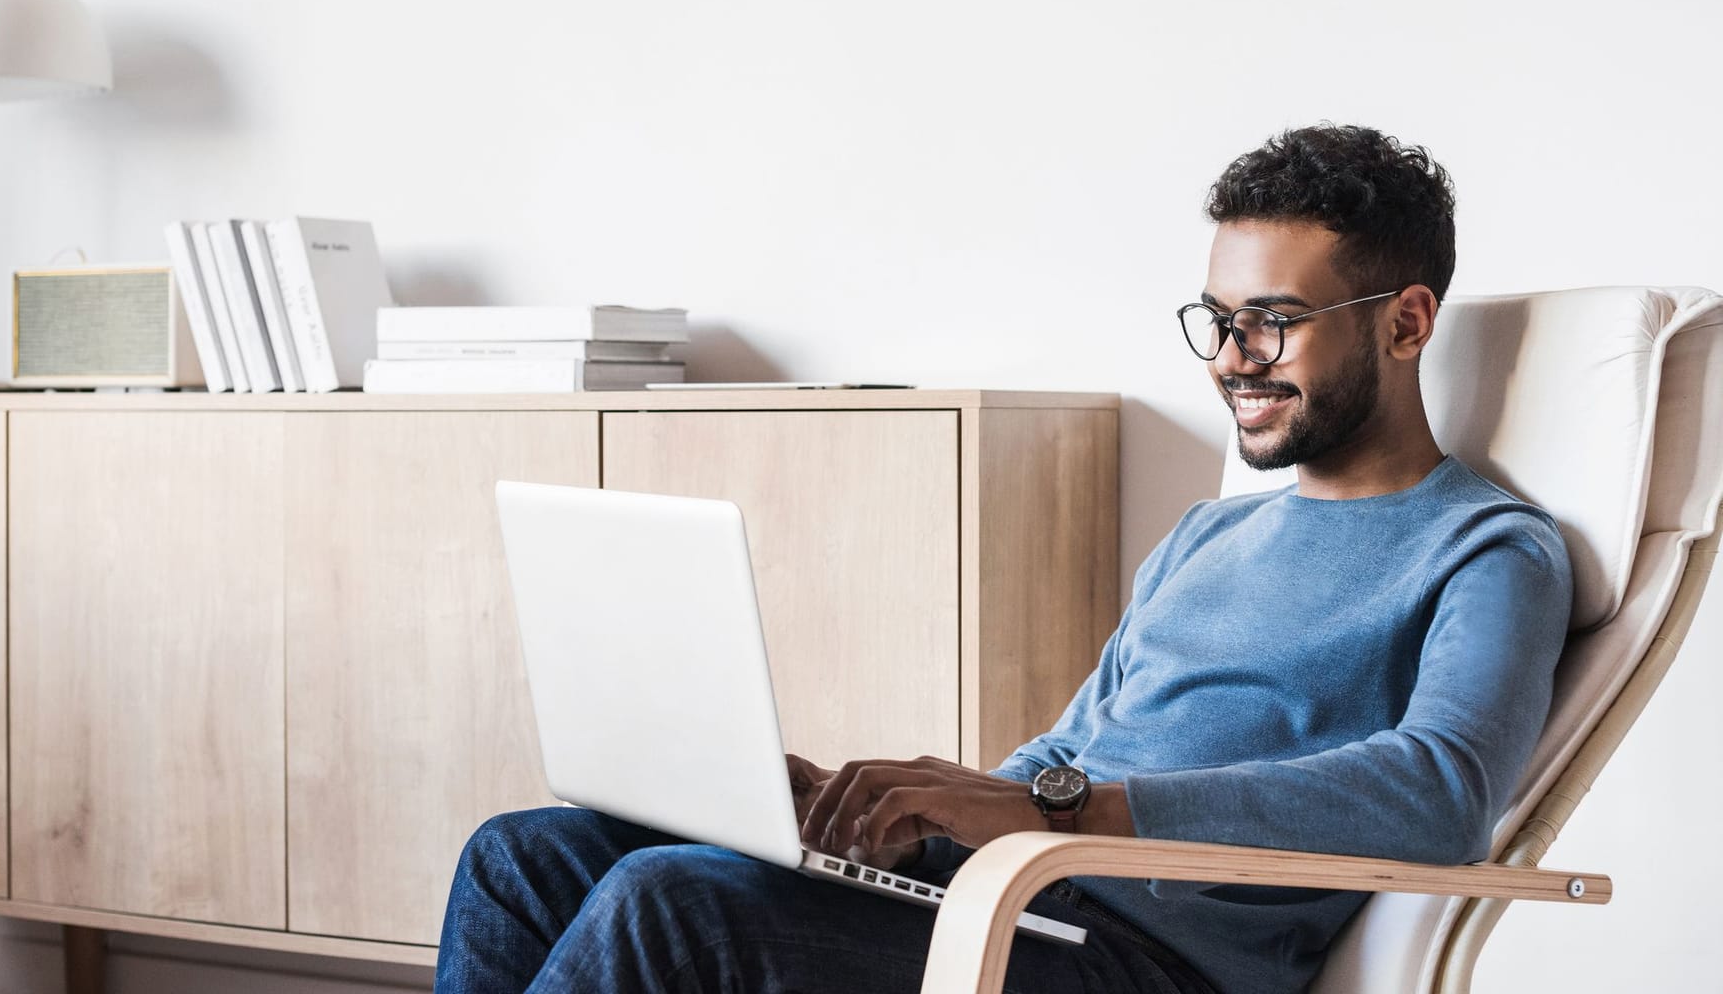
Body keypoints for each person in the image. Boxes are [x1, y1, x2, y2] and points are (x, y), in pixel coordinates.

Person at [432, 124, 1573, 994]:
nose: (1232, 359)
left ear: (1407, 322)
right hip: (1012, 892)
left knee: (664, 905)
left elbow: (1438, 796)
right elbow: (1071, 751)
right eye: (1216, 319)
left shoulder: (1486, 549)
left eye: (1273, 319)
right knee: (520, 857)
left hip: (1136, 958)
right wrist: (896, 812)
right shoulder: (1211, 533)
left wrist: (1060, 813)